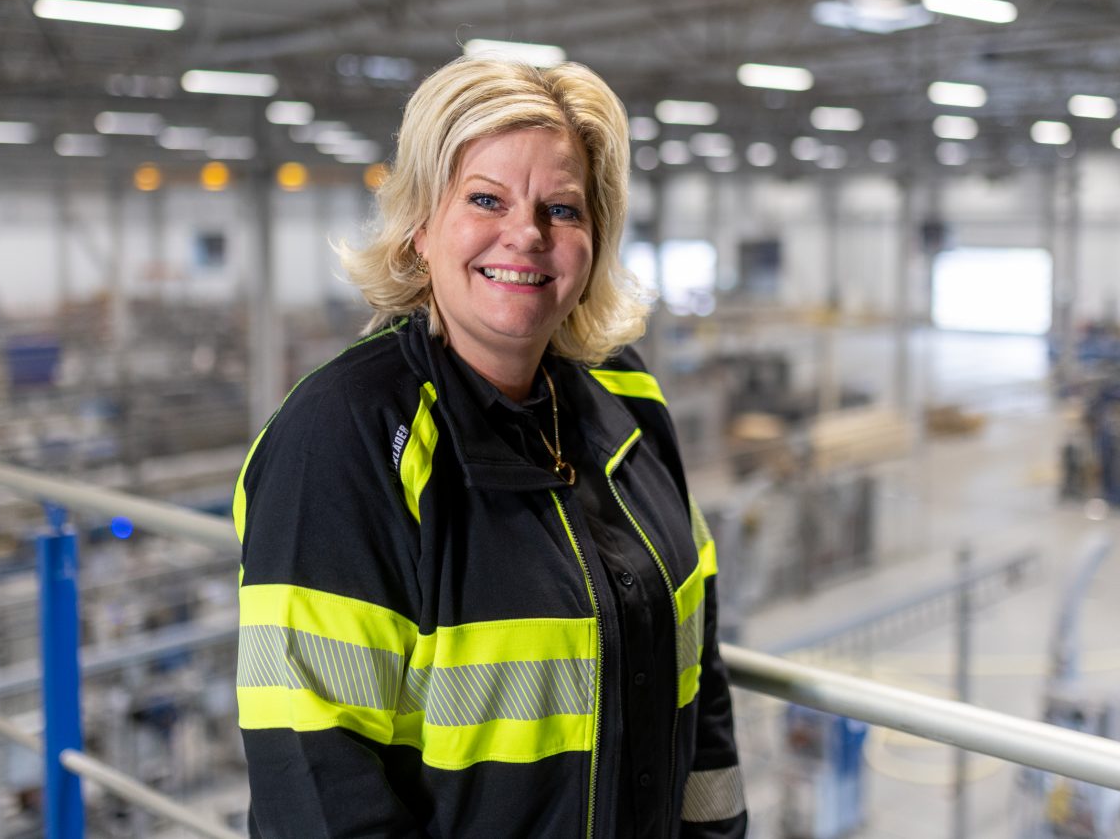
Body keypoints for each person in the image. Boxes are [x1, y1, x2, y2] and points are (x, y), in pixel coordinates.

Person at [234, 56, 746, 838]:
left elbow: (696, 667)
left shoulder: (629, 398)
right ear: (420, 226)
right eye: (485, 198)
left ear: (596, 237)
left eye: (563, 209)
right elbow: (315, 782)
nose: (528, 235)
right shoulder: (343, 436)